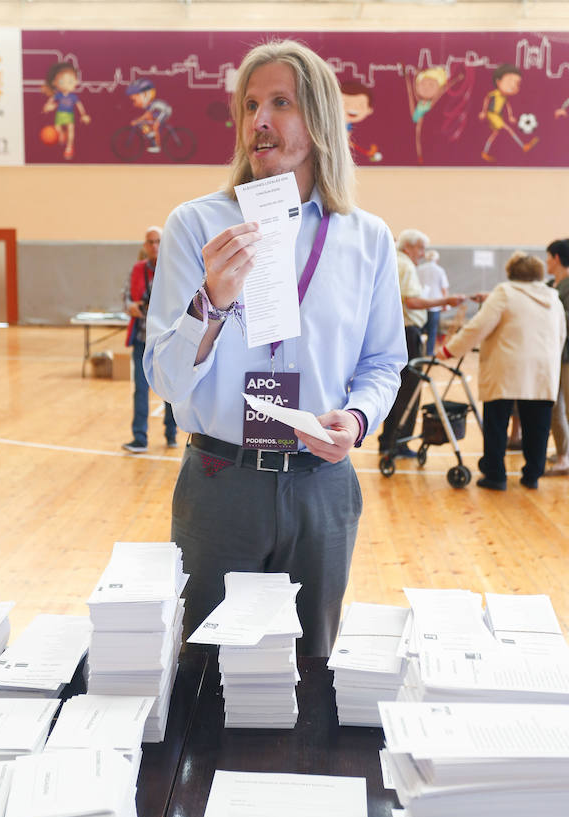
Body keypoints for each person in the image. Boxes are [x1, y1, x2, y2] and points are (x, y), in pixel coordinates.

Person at [144, 39, 407, 655]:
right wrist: (210, 301)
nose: (258, 121)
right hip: (219, 480)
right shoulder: (197, 225)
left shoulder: (367, 239)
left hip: (323, 483)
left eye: (280, 103)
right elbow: (163, 375)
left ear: (318, 121)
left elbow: (383, 361)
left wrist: (360, 417)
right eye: (250, 105)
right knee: (204, 673)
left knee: (309, 669)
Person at [439, 251, 566, 490]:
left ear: (511, 272)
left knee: (497, 423)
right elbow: (561, 334)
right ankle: (532, 475)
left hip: (507, 367)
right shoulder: (553, 297)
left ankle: (496, 475)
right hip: (542, 369)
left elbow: (477, 327)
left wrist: (449, 350)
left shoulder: (505, 293)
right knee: (538, 426)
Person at [378, 230, 463, 458]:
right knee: (409, 391)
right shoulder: (404, 265)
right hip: (407, 332)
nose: (423, 254)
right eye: (421, 249)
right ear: (410, 247)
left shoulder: (393, 260)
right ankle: (399, 442)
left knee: (396, 389)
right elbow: (412, 302)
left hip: (394, 331)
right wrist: (446, 300)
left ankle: (388, 440)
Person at [122, 227, 177, 453]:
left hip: (168, 340)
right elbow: (125, 298)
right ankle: (139, 438)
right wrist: (130, 307)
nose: (154, 246)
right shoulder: (137, 270)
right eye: (150, 242)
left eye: (158, 241)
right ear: (145, 246)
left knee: (170, 390)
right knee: (140, 389)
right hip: (142, 338)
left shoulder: (174, 268)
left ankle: (171, 435)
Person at [543, 238, 569, 476]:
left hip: (567, 355)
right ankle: (563, 454)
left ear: (557, 258)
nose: (546, 261)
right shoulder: (550, 285)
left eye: (549, 257)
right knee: (555, 407)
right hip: (554, 356)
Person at [479, 64, 538, 163]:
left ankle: (485, 152)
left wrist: (510, 116)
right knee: (508, 129)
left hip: (498, 116)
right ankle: (523, 146)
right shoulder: (495, 93)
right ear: (498, 82)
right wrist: (483, 112)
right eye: (509, 82)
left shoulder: (504, 97)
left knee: (494, 134)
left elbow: (507, 106)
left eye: (517, 83)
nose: (513, 86)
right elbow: (487, 98)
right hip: (492, 114)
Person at [42, 62, 91, 161]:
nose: (66, 84)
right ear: (54, 83)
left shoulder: (73, 96)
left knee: (71, 129)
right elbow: (51, 101)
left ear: (76, 82)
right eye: (61, 81)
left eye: (70, 81)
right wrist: (47, 107)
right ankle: (61, 134)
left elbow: (79, 105)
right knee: (57, 127)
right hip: (60, 114)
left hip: (69, 115)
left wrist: (84, 115)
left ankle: (69, 147)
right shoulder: (58, 95)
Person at [126, 78, 172, 153]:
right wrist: (139, 121)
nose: (133, 102)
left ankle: (157, 147)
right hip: (160, 111)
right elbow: (148, 116)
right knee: (145, 122)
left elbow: (147, 115)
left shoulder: (151, 104)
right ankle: (150, 134)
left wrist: (137, 120)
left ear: (145, 95)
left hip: (165, 111)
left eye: (134, 99)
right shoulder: (149, 104)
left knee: (155, 126)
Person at [418, 249, 449, 356]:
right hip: (435, 304)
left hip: (421, 303)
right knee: (432, 330)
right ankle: (429, 352)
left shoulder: (419, 269)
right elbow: (444, 288)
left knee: (420, 329)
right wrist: (445, 304)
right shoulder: (440, 270)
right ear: (437, 259)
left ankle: (419, 351)